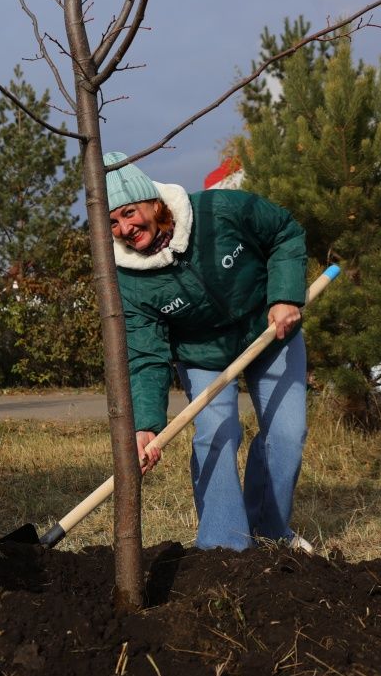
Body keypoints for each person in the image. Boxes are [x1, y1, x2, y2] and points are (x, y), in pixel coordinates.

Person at [104, 151, 312, 552]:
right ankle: (224, 547)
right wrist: (146, 423)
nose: (125, 228)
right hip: (201, 352)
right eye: (112, 222)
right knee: (217, 433)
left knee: (287, 433)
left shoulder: (220, 211)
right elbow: (146, 355)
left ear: (152, 202)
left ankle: (269, 531)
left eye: (129, 213)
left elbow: (284, 231)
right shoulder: (128, 278)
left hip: (268, 329)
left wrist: (284, 295)